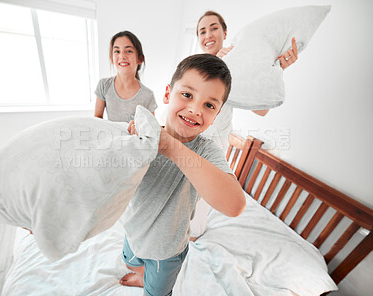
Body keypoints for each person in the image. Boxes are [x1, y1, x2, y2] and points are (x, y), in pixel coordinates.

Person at [119, 54, 246, 296]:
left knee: (157, 291)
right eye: (187, 95)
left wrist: (169, 146)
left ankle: (150, 285)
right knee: (131, 263)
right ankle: (141, 276)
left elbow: (235, 205)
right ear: (167, 94)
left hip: (166, 251)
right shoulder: (144, 136)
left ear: (216, 115)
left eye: (209, 105)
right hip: (132, 231)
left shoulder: (207, 151)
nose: (195, 109)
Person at [189, 10, 298, 241]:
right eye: (202, 31)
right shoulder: (193, 66)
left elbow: (261, 108)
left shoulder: (235, 65)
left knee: (203, 196)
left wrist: (278, 70)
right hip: (189, 139)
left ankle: (193, 236)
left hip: (214, 145)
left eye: (214, 28)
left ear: (225, 32)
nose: (208, 34)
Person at [94, 31, 157, 122]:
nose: (122, 56)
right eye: (117, 51)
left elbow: (150, 129)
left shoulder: (148, 95)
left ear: (140, 59)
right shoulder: (104, 85)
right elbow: (97, 120)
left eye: (128, 51)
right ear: (112, 58)